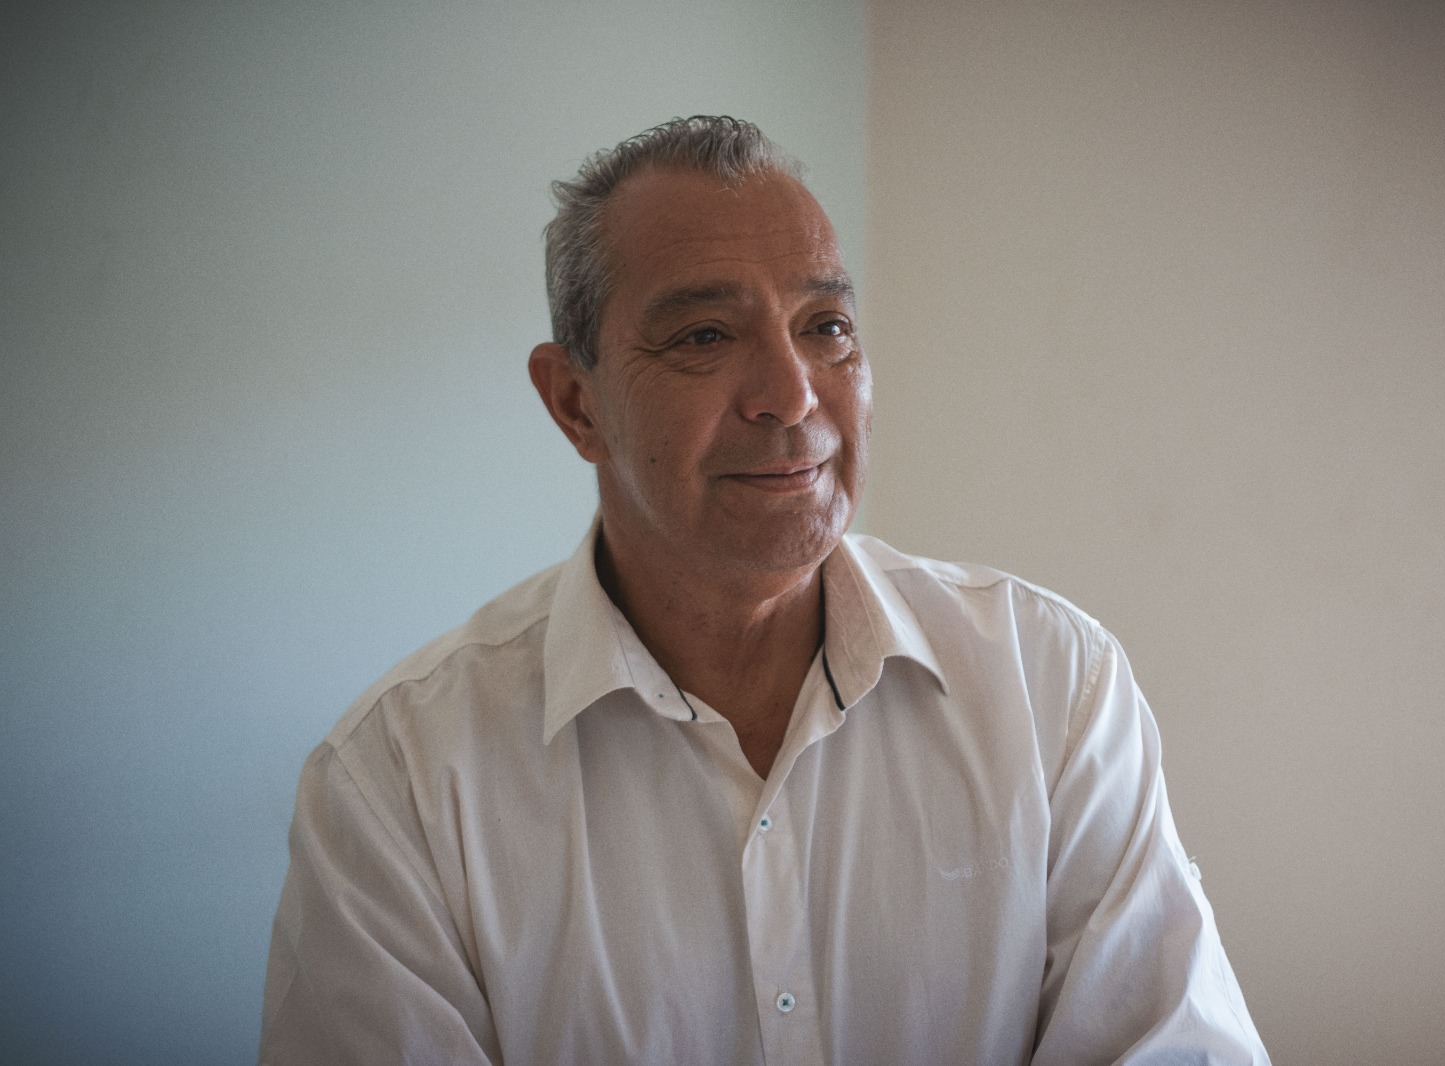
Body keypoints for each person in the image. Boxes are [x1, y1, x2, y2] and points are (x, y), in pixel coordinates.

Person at [260, 116, 1270, 1065]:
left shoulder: (1050, 687)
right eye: (704, 336)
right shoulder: (399, 782)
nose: (791, 394)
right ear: (575, 404)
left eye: (826, 325)